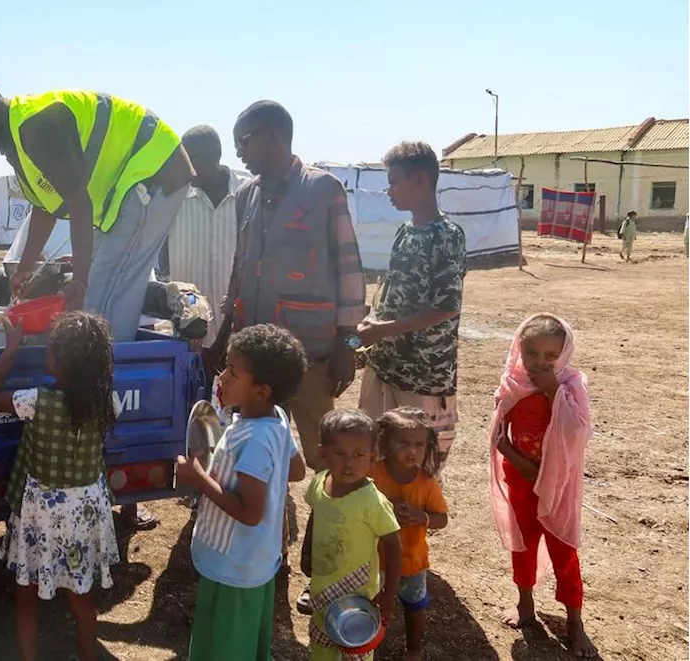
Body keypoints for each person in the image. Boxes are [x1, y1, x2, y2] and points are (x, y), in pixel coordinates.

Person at [0, 70, 195, 342]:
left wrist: (80, 280)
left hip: (153, 172)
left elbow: (78, 203)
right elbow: (45, 207)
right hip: (133, 183)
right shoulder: (15, 139)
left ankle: (106, 374)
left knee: (103, 298)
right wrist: (25, 267)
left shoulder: (35, 126)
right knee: (97, 292)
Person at [220, 100, 366, 475]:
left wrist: (347, 345)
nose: (239, 151)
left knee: (326, 460)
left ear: (272, 135)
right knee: (258, 456)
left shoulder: (323, 190)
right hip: (256, 362)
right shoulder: (245, 196)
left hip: (311, 358)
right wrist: (223, 333)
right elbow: (241, 266)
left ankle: (329, 531)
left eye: (244, 141)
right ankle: (272, 526)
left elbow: (349, 269)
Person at [0, 312, 121, 661]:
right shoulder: (109, 404)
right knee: (81, 595)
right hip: (86, 509)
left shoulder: (35, 401)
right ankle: (88, 655)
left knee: (26, 596)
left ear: (58, 360)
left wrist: (11, 349)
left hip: (41, 511)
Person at [175, 324, 308, 661]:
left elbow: (250, 513)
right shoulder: (274, 418)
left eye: (233, 372)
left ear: (262, 390)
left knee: (225, 646)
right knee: (244, 642)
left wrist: (199, 477)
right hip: (257, 561)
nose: (222, 376)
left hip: (234, 564)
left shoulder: (254, 438)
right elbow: (296, 469)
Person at [489, 314, 596, 658]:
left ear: (564, 354)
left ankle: (574, 621)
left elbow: (577, 431)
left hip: (558, 483)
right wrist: (513, 456)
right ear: (520, 348)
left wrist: (553, 392)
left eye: (551, 356)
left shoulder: (571, 385)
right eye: (533, 353)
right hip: (519, 478)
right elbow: (501, 427)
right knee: (523, 542)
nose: (540, 362)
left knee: (563, 547)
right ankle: (524, 603)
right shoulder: (513, 382)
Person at [358, 142, 466, 475]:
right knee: (374, 453)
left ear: (420, 180)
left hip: (423, 375)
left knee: (417, 467)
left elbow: (446, 307)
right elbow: (393, 296)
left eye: (394, 182)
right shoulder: (405, 232)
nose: (388, 191)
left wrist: (381, 330)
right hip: (387, 365)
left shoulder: (447, 235)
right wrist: (366, 330)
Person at [301, 409, 402, 661]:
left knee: (355, 652)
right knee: (322, 647)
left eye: (359, 455)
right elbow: (316, 511)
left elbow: (393, 545)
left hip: (358, 601)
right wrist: (306, 549)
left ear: (372, 457)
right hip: (322, 591)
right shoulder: (319, 483)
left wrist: (389, 594)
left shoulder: (371, 501)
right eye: (339, 454)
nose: (349, 463)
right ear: (322, 452)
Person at [369, 407, 449, 661]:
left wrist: (422, 517)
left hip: (412, 561)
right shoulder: (372, 473)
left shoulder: (427, 482)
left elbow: (442, 519)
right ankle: (368, 645)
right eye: (403, 443)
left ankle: (414, 647)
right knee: (372, 604)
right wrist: (384, 509)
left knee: (415, 607)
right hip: (376, 559)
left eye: (419, 444)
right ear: (385, 443)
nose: (412, 451)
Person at [165, 125, 248, 351]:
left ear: (215, 157)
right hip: (189, 331)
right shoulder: (174, 198)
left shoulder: (248, 194)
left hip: (237, 331)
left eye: (194, 161)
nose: (188, 169)